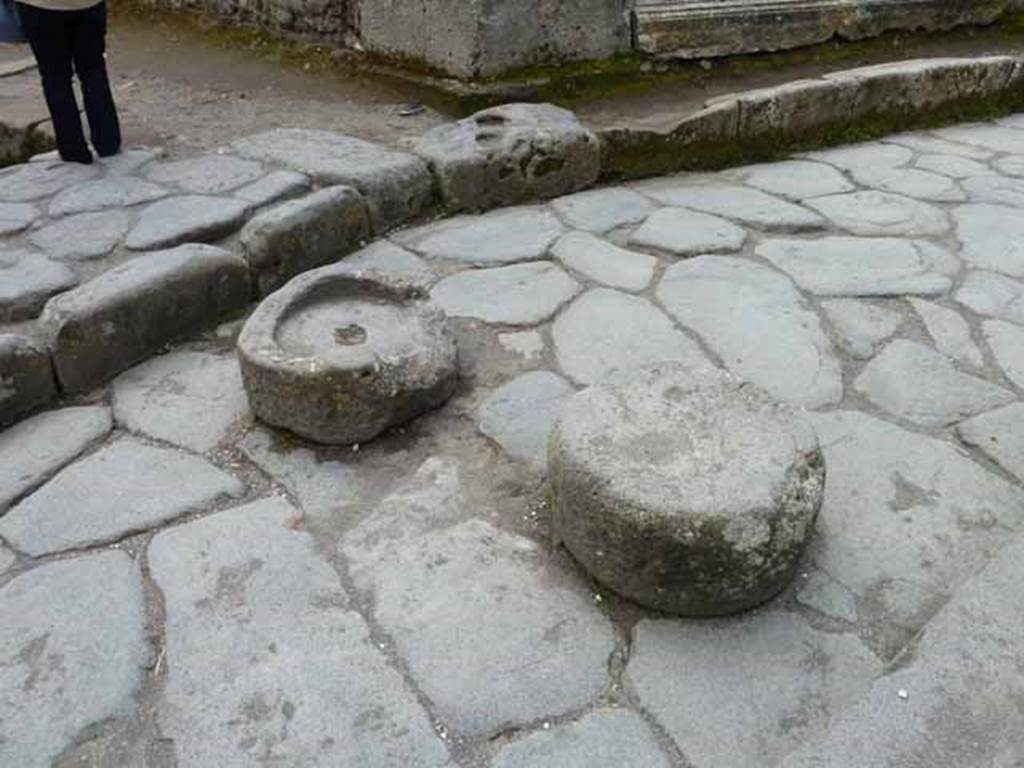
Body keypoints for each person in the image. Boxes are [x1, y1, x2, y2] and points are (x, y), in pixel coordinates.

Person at [14, 0, 120, 164]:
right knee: (93, 72)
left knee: (56, 79)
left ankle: (73, 150)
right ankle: (108, 143)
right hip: (88, 5)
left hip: (40, 7)